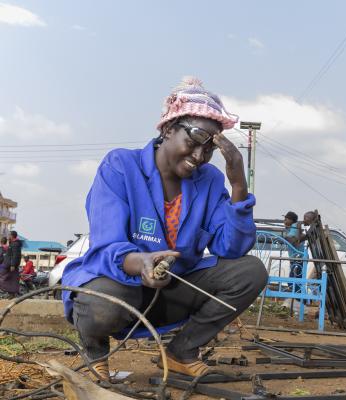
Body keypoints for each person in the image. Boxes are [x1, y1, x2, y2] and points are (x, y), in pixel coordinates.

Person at [61, 77, 268, 380]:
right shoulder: (120, 166)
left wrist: (238, 184)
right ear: (168, 129)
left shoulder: (209, 180)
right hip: (121, 288)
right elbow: (108, 244)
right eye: (193, 141)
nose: (199, 156)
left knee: (250, 272)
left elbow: (232, 248)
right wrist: (141, 263)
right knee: (104, 301)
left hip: (170, 291)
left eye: (208, 149)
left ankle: (181, 351)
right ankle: (95, 354)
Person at [282, 211, 303, 280]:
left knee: (293, 279)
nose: (284, 220)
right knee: (295, 278)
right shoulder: (290, 227)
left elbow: (291, 239)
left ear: (291, 220)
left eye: (286, 219)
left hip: (298, 258)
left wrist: (283, 237)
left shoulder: (294, 226)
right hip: (295, 257)